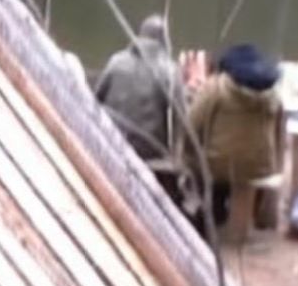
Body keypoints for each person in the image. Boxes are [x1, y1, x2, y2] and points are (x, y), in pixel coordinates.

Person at [185, 43, 286, 229]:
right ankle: (254, 215)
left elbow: (191, 124)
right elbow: (279, 132)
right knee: (243, 163)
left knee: (197, 163)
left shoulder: (216, 88)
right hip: (261, 165)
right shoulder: (274, 95)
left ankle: (213, 210)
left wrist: (187, 152)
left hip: (218, 165)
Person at [94, 15, 183, 161]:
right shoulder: (170, 71)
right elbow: (181, 119)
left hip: (109, 139)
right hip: (148, 151)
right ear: (164, 41)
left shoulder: (116, 61)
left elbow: (95, 100)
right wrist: (175, 154)